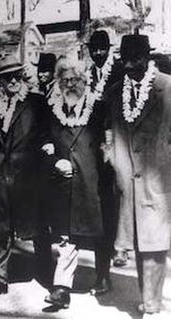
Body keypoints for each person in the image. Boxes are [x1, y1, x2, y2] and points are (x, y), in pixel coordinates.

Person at [104, 34, 171, 318]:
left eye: (136, 60)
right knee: (143, 243)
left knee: (155, 243)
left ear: (148, 58)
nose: (130, 65)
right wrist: (112, 157)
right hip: (128, 180)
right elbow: (108, 129)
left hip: (160, 178)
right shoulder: (116, 91)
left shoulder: (167, 87)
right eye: (125, 60)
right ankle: (147, 298)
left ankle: (152, 303)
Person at [0, 55, 51, 298]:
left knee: (37, 223)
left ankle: (45, 270)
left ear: (22, 76)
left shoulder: (36, 103)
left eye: (16, 76)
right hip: (0, 174)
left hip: (29, 173)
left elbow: (46, 135)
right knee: (0, 226)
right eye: (6, 77)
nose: (12, 81)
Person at [43, 57, 105, 309]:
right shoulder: (52, 111)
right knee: (66, 236)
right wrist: (54, 160)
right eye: (65, 80)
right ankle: (62, 288)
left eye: (75, 79)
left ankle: (103, 275)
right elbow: (44, 142)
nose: (70, 84)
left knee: (100, 234)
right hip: (64, 184)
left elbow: (107, 143)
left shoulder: (98, 109)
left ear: (84, 81)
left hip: (93, 183)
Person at [86, 30, 126, 295]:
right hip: (94, 147)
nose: (98, 53)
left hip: (119, 143)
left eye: (102, 49)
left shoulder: (120, 72)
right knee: (102, 202)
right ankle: (106, 256)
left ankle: (119, 247)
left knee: (119, 198)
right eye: (94, 49)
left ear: (109, 49)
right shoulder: (86, 75)